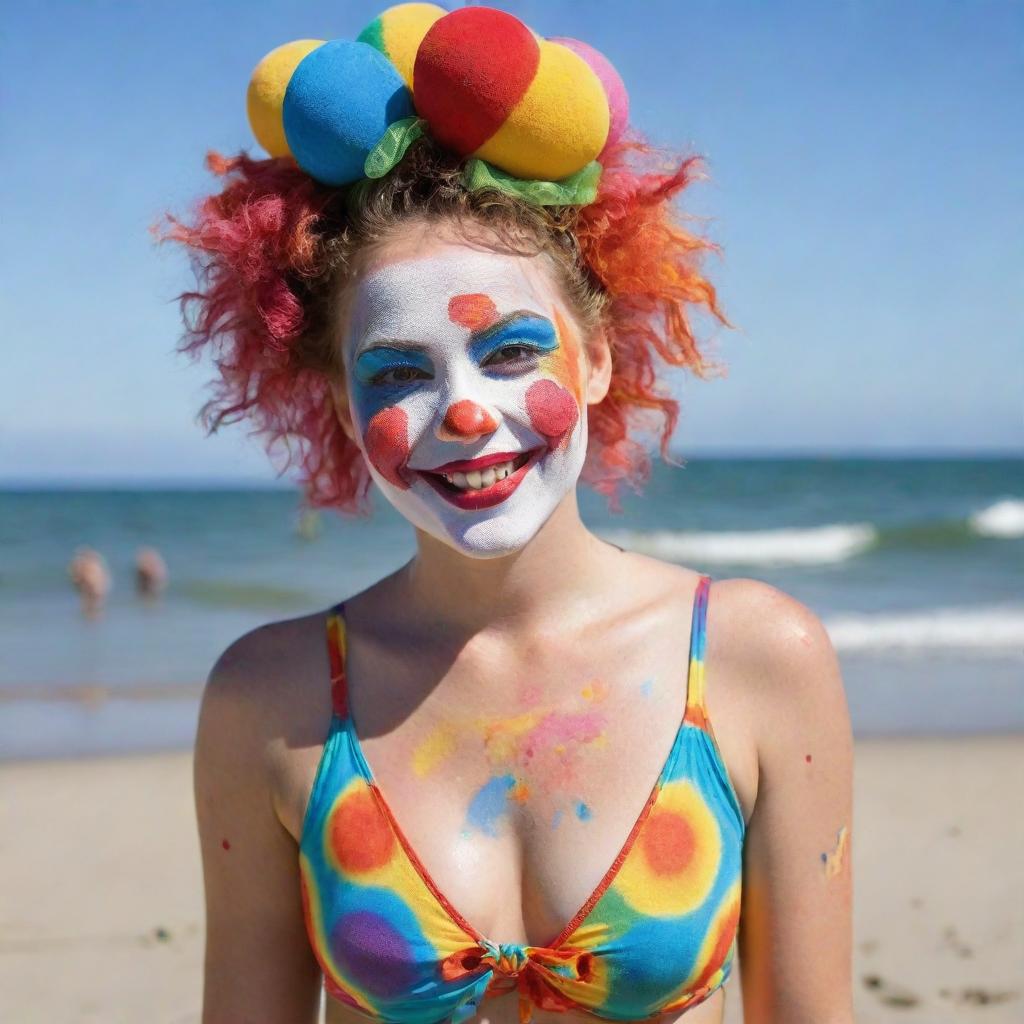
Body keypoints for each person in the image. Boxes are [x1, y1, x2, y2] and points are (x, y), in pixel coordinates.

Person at [164, 7, 853, 1023]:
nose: (466, 410)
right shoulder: (268, 699)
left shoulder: (758, 660)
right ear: (342, 408)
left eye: (513, 350)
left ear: (602, 356)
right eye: (398, 369)